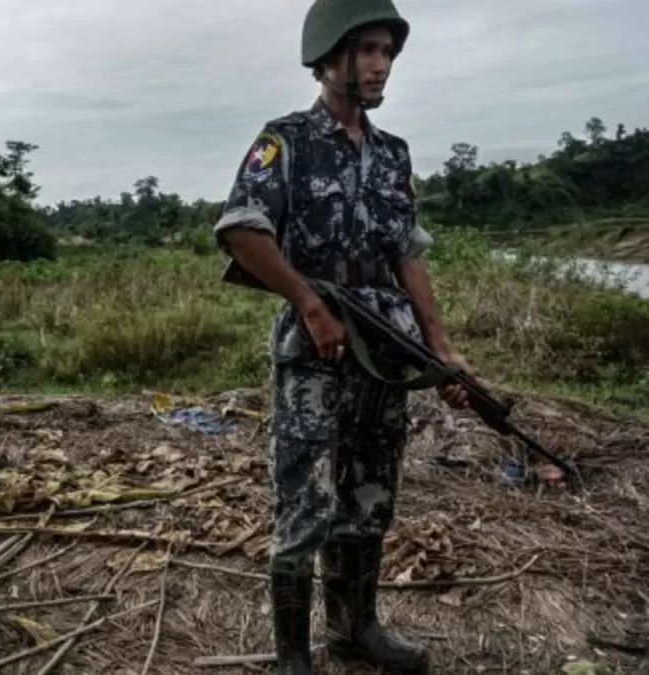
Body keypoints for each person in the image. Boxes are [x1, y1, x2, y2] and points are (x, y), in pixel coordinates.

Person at [212, 0, 476, 672]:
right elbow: (243, 230)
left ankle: (356, 626)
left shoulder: (392, 154)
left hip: (386, 349)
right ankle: (294, 652)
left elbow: (407, 253)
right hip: (317, 348)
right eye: (365, 50)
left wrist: (440, 347)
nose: (379, 64)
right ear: (328, 57)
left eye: (386, 50)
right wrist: (308, 302)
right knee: (307, 497)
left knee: (369, 495)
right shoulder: (287, 140)